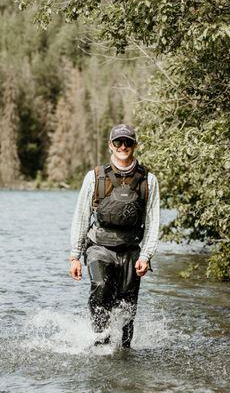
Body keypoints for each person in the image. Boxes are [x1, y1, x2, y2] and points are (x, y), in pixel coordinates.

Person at [69, 124, 160, 348]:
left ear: (135, 145)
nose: (123, 146)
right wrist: (75, 256)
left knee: (127, 305)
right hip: (99, 246)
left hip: (131, 250)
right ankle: (100, 341)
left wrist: (146, 256)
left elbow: (153, 222)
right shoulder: (94, 177)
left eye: (128, 142)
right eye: (118, 142)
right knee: (100, 287)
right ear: (110, 145)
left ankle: (125, 350)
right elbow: (81, 216)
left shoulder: (149, 180)